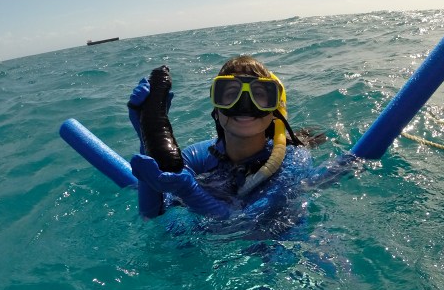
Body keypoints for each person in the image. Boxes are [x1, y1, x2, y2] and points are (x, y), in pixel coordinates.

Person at [127, 55, 312, 220]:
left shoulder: (292, 160)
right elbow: (150, 215)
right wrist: (147, 136)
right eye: (231, 94)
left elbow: (245, 224)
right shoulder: (197, 156)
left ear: (275, 111)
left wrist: (189, 190)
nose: (245, 105)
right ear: (216, 109)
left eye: (259, 94)